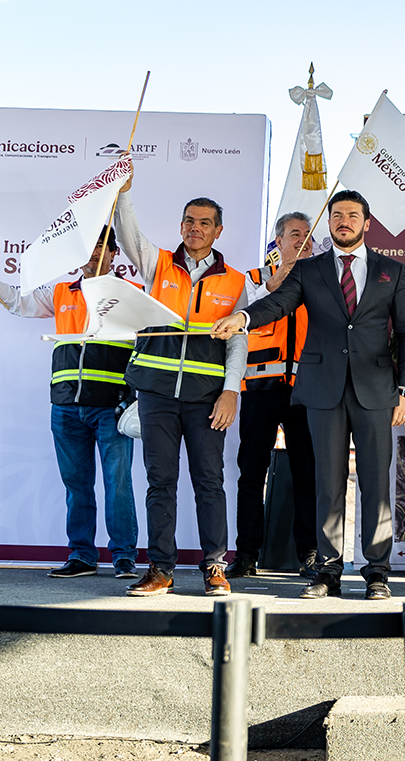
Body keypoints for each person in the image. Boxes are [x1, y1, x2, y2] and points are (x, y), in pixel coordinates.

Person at [213, 189, 405, 601]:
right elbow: (278, 303)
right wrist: (243, 317)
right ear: (329, 223)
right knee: (327, 483)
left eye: (353, 215)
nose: (344, 221)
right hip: (322, 390)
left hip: (376, 390)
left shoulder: (391, 270)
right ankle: (328, 571)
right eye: (337, 214)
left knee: (376, 484)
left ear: (367, 222)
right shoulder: (309, 270)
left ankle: (377, 572)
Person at [0, 234, 139, 579]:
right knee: (76, 485)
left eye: (102, 246)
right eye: (89, 247)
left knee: (118, 484)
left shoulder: (131, 295)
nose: (94, 253)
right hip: (66, 406)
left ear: (115, 253)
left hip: (112, 407)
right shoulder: (61, 292)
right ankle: (82, 555)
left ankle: (124, 557)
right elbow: (15, 302)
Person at [114, 175, 248, 597]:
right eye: (189, 221)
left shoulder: (235, 281)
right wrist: (123, 193)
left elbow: (238, 342)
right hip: (156, 393)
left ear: (218, 231)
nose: (195, 228)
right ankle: (160, 570)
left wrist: (231, 391)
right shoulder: (158, 264)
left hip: (207, 398)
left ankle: (215, 567)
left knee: (210, 482)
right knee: (160, 482)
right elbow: (129, 235)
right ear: (181, 226)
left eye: (205, 223)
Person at [225, 212, 319, 580]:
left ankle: (309, 553)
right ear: (278, 241)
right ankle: (246, 554)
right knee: (251, 473)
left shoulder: (320, 281)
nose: (303, 240)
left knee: (307, 473)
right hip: (260, 389)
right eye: (295, 234)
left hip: (305, 392)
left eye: (308, 235)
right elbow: (240, 317)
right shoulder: (252, 279)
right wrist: (274, 283)